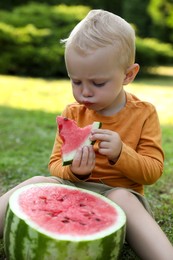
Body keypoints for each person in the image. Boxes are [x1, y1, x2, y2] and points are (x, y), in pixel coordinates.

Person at [0, 9, 172, 259]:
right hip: (72, 186)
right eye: (76, 81)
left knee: (121, 195)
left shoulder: (144, 113)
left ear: (128, 75)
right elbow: (55, 164)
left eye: (98, 83)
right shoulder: (72, 112)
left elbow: (153, 171)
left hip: (122, 197)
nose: (85, 93)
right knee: (38, 182)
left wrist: (121, 154)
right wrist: (74, 172)